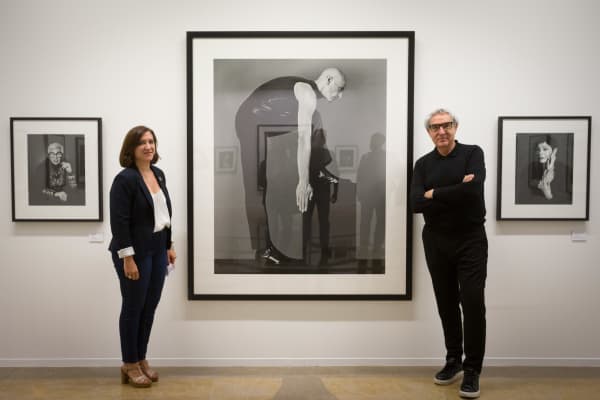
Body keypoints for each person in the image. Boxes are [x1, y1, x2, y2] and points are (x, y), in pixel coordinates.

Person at [410, 109, 487, 399]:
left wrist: (434, 193)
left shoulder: (472, 154)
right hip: (436, 240)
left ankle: (472, 369)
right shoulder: (423, 164)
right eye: (435, 127)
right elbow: (416, 203)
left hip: (470, 239)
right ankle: (453, 360)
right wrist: (457, 190)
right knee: (446, 302)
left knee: (473, 303)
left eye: (446, 125)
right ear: (429, 132)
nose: (441, 131)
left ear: (455, 127)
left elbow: (473, 191)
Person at [236, 67, 345, 263]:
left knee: (314, 120)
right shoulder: (307, 93)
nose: (340, 95)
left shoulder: (310, 104)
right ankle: (264, 249)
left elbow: (303, 138)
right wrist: (303, 181)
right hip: (249, 119)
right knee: (254, 186)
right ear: (328, 80)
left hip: (269, 118)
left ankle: (277, 246)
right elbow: (303, 138)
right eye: (340, 88)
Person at [109, 125, 176, 388]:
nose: (148, 146)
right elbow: (119, 222)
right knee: (133, 307)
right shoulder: (125, 179)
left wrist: (169, 245)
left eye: (151, 141)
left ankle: (141, 358)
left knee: (149, 307)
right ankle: (129, 363)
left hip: (158, 248)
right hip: (134, 252)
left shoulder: (158, 174)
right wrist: (127, 257)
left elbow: (164, 214)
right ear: (132, 148)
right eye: (142, 143)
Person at [303, 128, 339, 266]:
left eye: (320, 137)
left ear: (323, 140)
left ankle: (324, 247)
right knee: (306, 220)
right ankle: (303, 247)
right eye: (316, 137)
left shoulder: (327, 153)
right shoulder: (308, 153)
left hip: (323, 191)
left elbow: (335, 173)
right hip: (310, 191)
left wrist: (335, 192)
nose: (318, 140)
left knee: (324, 221)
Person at [356, 132, 386, 273]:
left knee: (380, 222)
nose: (372, 143)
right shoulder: (365, 157)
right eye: (372, 140)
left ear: (380, 142)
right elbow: (360, 176)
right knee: (365, 223)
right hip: (368, 196)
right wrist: (360, 193)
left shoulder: (385, 157)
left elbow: (389, 175)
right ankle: (364, 248)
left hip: (381, 196)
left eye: (375, 140)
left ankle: (376, 247)